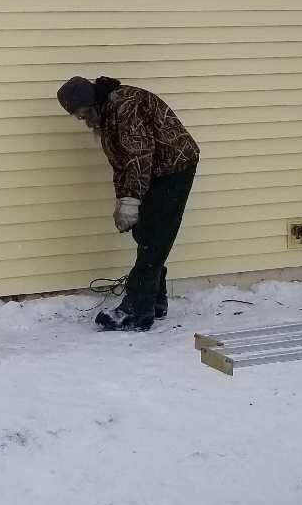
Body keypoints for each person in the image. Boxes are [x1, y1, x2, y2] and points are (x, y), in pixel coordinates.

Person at [56, 75, 199, 331]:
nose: (81, 119)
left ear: (90, 104)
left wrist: (131, 200)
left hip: (174, 167)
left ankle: (136, 310)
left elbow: (138, 156)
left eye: (81, 113)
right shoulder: (108, 114)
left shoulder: (124, 107)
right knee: (145, 232)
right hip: (153, 171)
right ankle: (155, 300)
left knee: (156, 237)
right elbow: (121, 163)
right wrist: (122, 200)